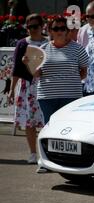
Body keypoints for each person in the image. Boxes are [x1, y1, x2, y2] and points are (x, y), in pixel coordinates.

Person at [8, 13, 47, 164]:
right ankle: (32, 153)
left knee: (46, 120)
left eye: (35, 26)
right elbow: (16, 69)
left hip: (45, 85)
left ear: (42, 26)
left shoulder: (49, 42)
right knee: (29, 122)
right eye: (29, 26)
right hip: (27, 87)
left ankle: (45, 154)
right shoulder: (22, 44)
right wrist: (11, 90)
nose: (32, 29)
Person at [36, 16, 89, 124]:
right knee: (50, 127)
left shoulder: (78, 48)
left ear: (67, 30)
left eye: (62, 28)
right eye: (55, 29)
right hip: (47, 97)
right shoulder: (42, 49)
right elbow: (37, 74)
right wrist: (29, 64)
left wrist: (70, 81)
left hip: (71, 97)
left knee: (69, 126)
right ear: (50, 31)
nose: (59, 31)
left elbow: (85, 71)